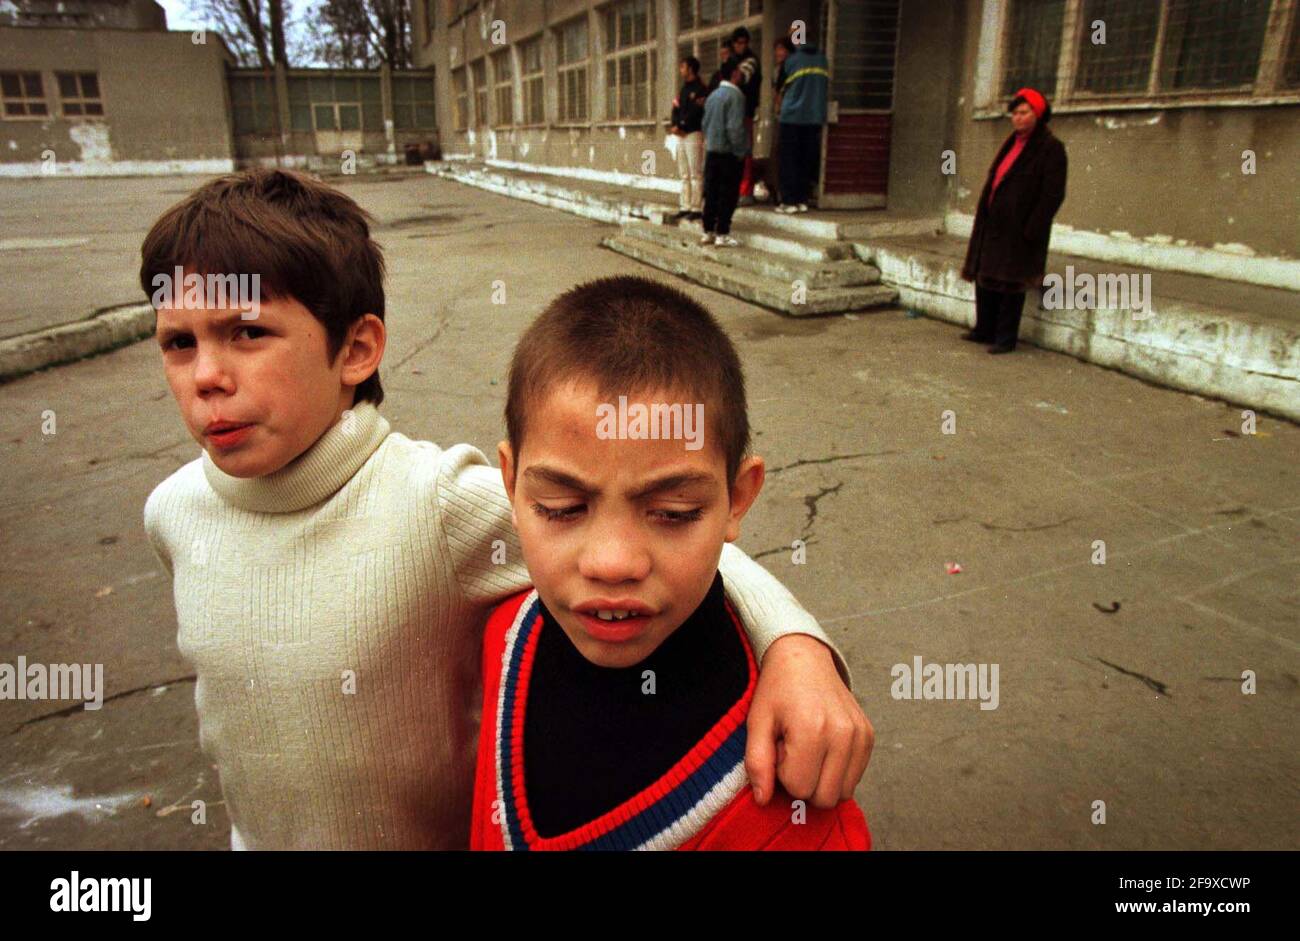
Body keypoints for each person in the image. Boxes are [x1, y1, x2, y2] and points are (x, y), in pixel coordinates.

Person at [139, 169, 871, 850]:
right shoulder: (171, 513)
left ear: (357, 347)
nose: (208, 376)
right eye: (179, 342)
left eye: (247, 331)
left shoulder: (432, 505)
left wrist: (797, 647)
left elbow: (689, 539)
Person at [472, 276, 873, 851]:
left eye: (672, 512)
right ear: (509, 485)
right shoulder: (504, 638)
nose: (613, 563)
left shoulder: (792, 810)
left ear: (738, 498)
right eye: (560, 508)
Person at [960, 87, 1068, 354]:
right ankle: (984, 328)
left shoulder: (1050, 148)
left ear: (1037, 114)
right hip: (994, 223)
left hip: (1021, 228)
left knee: (1011, 281)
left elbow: (1053, 194)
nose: (1018, 118)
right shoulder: (1012, 142)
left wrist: (1033, 228)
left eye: (1024, 112)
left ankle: (1005, 338)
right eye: (1015, 113)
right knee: (986, 275)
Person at [775, 36, 829, 214]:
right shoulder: (822, 59)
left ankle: (789, 201)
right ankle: (802, 200)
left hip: (791, 117)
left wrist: (778, 109)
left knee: (788, 159)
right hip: (814, 117)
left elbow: (780, 89)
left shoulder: (792, 61)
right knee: (806, 160)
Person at [700, 58, 749, 248]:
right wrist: (740, 151)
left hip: (712, 151)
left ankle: (707, 231)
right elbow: (735, 128)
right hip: (729, 154)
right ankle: (723, 232)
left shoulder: (713, 96)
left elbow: (704, 124)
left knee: (711, 193)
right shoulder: (736, 97)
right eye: (740, 71)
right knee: (728, 194)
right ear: (735, 73)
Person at [669, 55, 707, 222]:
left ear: (691, 68)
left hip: (693, 133)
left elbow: (696, 112)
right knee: (684, 173)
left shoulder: (701, 89)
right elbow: (676, 108)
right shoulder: (683, 89)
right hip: (681, 135)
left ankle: (696, 208)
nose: (681, 70)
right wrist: (675, 125)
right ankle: (684, 206)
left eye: (683, 66)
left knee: (695, 173)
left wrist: (682, 125)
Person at [728, 26, 763, 207]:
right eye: (737, 43)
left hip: (744, 112)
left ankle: (746, 191)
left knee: (745, 153)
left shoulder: (750, 61)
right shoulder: (734, 60)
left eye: (743, 43)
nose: (740, 46)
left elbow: (738, 79)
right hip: (733, 114)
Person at [767, 37, 796, 205]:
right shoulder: (776, 70)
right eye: (776, 49)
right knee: (776, 153)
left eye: (781, 49)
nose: (778, 53)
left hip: (790, 116)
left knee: (785, 154)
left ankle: (784, 193)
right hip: (779, 115)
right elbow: (774, 92)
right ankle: (776, 190)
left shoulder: (791, 69)